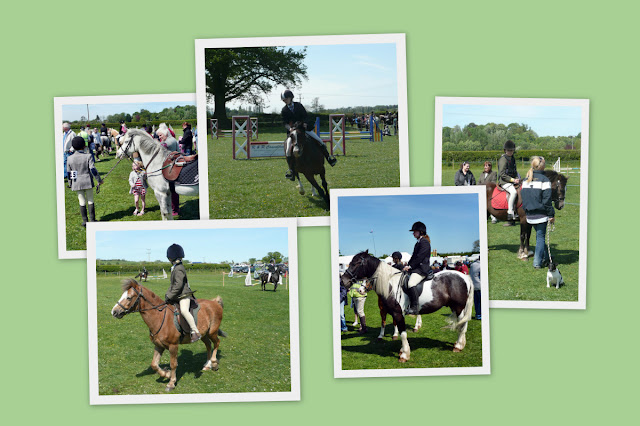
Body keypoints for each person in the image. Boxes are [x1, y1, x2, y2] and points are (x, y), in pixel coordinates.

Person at [281, 89, 336, 180]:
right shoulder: (284, 110)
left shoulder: (299, 105)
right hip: (293, 132)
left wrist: (305, 123)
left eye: (285, 99)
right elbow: (284, 122)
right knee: (287, 150)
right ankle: (291, 170)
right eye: (283, 100)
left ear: (290, 98)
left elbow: (305, 116)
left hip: (303, 129)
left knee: (320, 141)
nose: (284, 101)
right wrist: (289, 128)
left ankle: (329, 158)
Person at [521, 156, 555, 269]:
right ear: (542, 166)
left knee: (540, 238)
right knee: (540, 238)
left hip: (529, 215)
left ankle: (547, 257)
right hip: (541, 215)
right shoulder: (545, 180)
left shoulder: (525, 180)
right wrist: (551, 215)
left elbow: (523, 198)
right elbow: (547, 200)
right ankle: (537, 262)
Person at [165, 244, 200, 343]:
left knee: (184, 311)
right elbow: (172, 285)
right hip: (178, 295)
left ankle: (195, 331)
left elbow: (178, 285)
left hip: (184, 295)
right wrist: (167, 294)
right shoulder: (175, 267)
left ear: (171, 258)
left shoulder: (179, 268)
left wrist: (170, 295)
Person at [66, 136, 102, 226]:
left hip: (76, 182)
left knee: (81, 201)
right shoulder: (88, 156)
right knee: (90, 200)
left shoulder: (70, 158)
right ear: (84, 146)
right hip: (87, 181)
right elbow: (92, 169)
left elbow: (69, 173)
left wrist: (70, 184)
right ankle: (92, 220)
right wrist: (99, 180)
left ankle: (85, 221)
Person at [403, 221, 432, 315]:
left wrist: (410, 266)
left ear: (421, 232)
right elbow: (413, 257)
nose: (413, 233)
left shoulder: (424, 243)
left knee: (411, 283)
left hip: (422, 269)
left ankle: (415, 307)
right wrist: (407, 266)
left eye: (415, 231)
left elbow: (420, 257)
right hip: (416, 268)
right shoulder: (418, 243)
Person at [157, 127, 180, 216]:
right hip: (171, 167)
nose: (159, 137)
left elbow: (162, 146)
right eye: (159, 136)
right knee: (171, 189)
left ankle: (175, 209)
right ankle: (173, 207)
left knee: (173, 189)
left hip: (173, 168)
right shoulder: (169, 139)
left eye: (160, 135)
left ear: (165, 134)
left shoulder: (170, 141)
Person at [498, 140, 520, 225]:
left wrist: (517, 178)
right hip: (504, 182)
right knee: (514, 192)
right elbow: (502, 174)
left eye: (511, 150)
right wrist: (513, 180)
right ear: (505, 150)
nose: (510, 152)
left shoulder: (512, 159)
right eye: (508, 150)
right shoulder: (503, 159)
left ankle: (517, 212)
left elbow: (514, 171)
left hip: (512, 180)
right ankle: (510, 212)